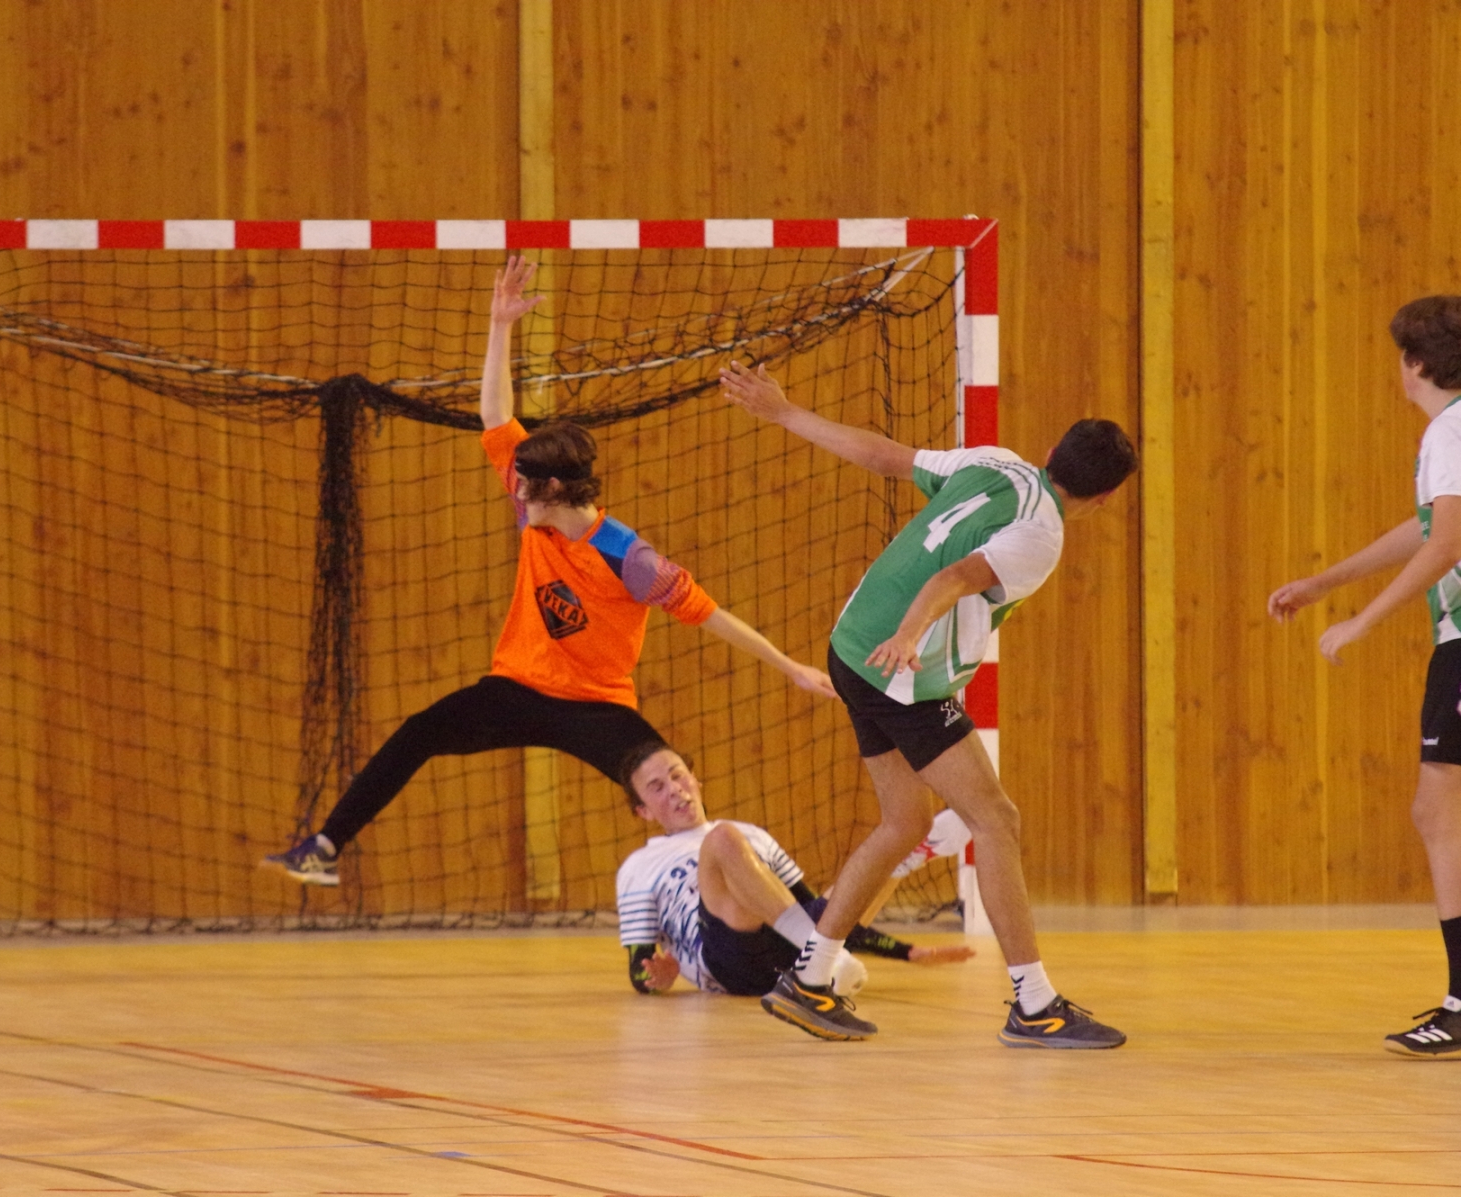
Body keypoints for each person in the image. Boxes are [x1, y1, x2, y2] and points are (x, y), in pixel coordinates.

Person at [266, 258, 835, 886]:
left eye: (526, 484)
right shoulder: (533, 506)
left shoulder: (627, 557)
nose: (515, 490)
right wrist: (499, 325)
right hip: (516, 688)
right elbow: (495, 417)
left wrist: (790, 667)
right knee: (419, 732)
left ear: (557, 488)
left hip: (596, 704)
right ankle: (325, 848)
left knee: (667, 783)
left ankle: (779, 906)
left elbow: (710, 615)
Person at [721, 360, 1137, 1047]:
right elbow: (953, 577)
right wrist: (910, 635)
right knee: (995, 819)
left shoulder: (995, 461)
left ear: (1050, 452)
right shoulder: (1042, 535)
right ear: (1106, 498)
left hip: (850, 645)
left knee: (905, 819)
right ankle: (1036, 1005)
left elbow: (884, 455)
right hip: (899, 672)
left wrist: (787, 412)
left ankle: (809, 978)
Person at [1269, 295, 1461, 1058]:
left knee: (1437, 811)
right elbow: (1426, 526)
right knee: (1437, 810)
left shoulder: (1449, 431)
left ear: (1415, 363)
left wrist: (1363, 620)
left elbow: (1446, 542)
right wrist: (1326, 582)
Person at [615, 740, 972, 1005]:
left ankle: (903, 860)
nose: (675, 789)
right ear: (643, 811)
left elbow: (815, 912)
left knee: (824, 905)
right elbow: (639, 968)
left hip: (791, 959)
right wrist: (657, 978)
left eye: (678, 775)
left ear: (695, 779)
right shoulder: (640, 866)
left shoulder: (754, 836)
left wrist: (906, 952)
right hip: (729, 963)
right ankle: (827, 951)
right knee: (722, 839)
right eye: (657, 787)